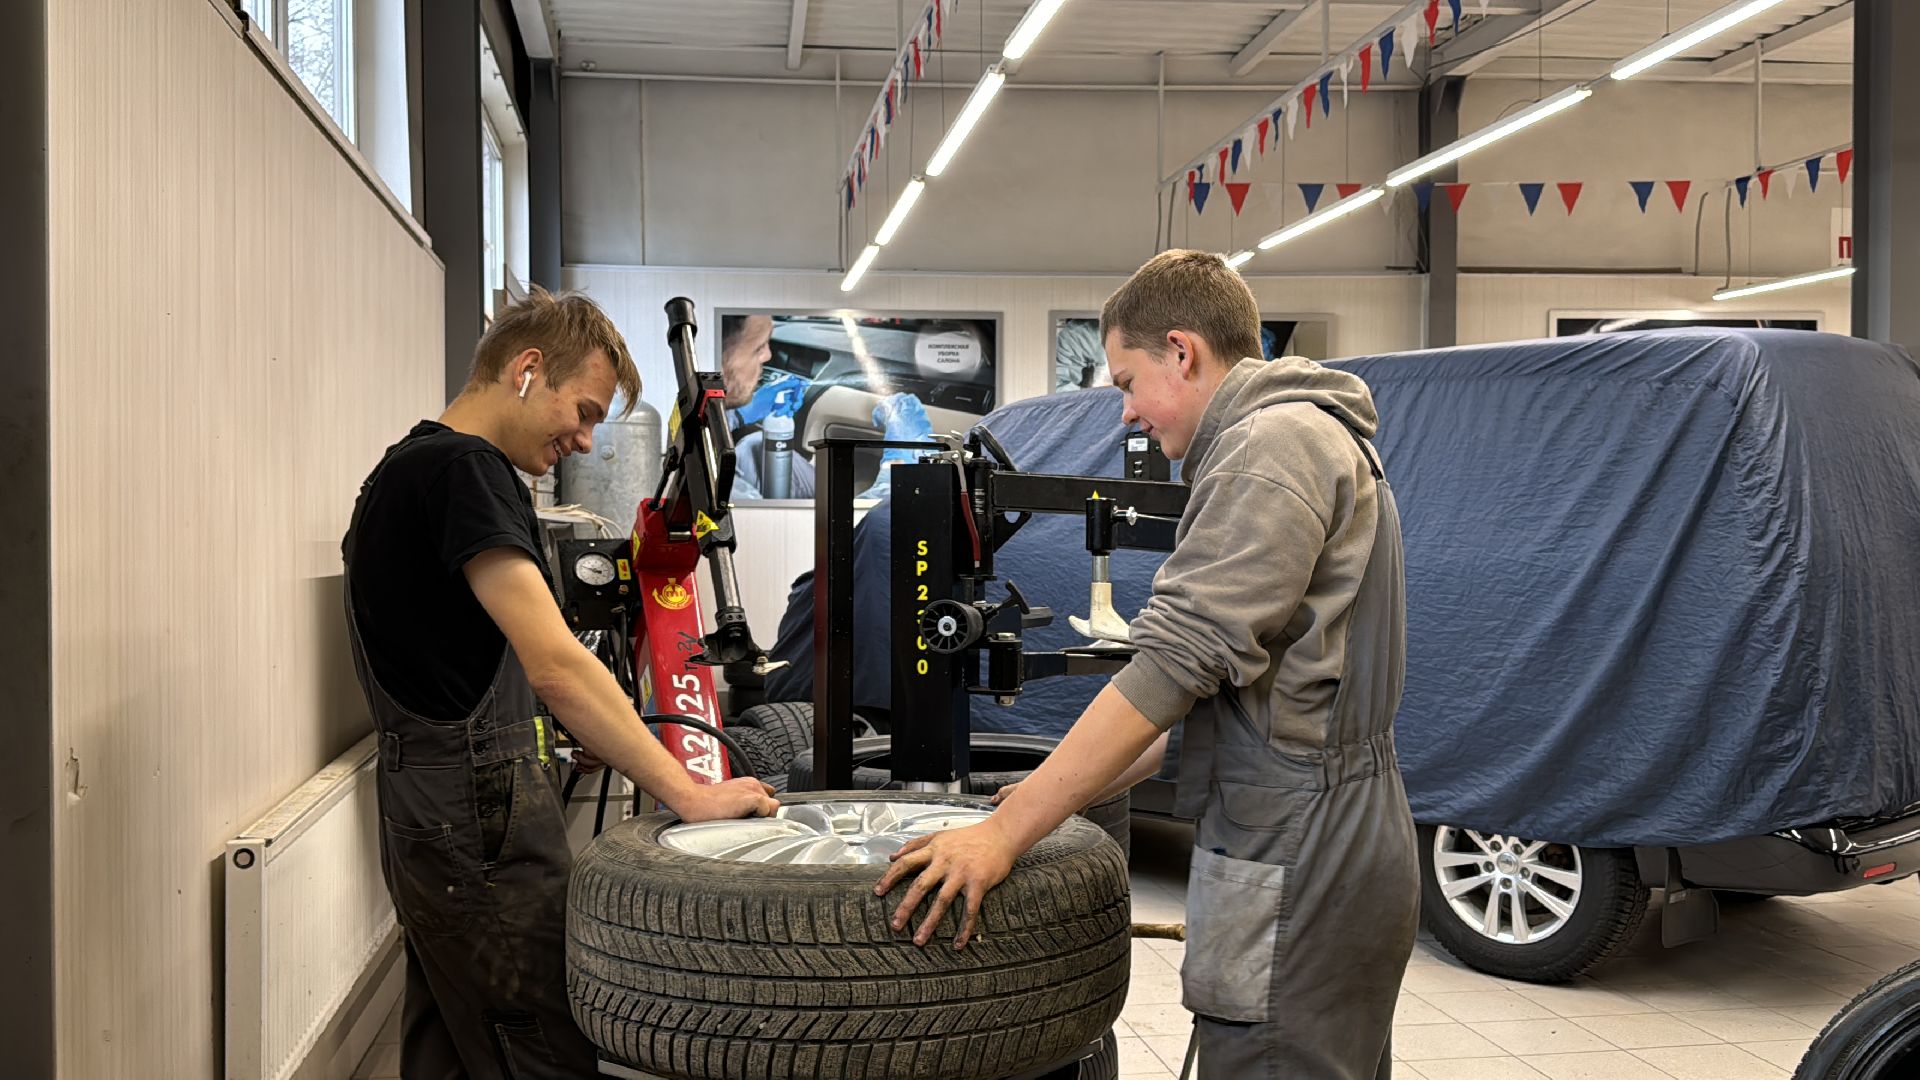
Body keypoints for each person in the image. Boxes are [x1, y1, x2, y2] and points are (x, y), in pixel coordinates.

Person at [875, 251, 1418, 1079]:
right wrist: (1064, 791)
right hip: (1338, 825)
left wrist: (1001, 834)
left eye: (1127, 382)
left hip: (1301, 842)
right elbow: (1246, 705)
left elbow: (1174, 667)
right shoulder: (1314, 434)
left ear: (1182, 350)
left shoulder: (1267, 448)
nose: (1126, 414)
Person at [342, 288, 778, 1079]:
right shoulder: (466, 469)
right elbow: (557, 663)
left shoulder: (404, 466)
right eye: (580, 411)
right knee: (538, 1046)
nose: (581, 440)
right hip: (479, 819)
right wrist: (691, 792)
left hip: (430, 811)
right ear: (526, 369)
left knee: (453, 1042)